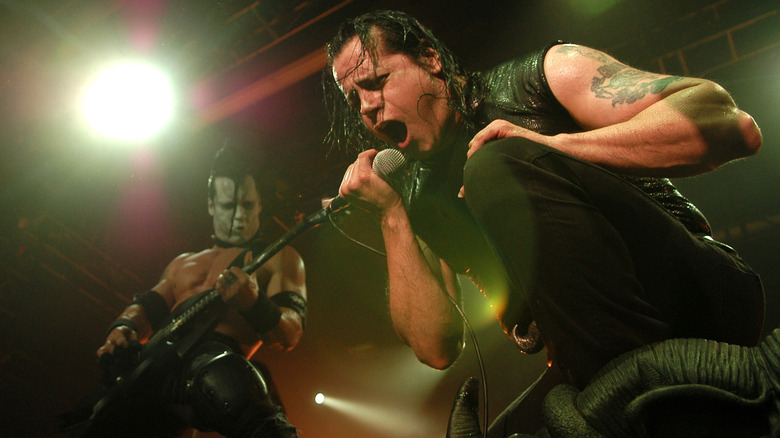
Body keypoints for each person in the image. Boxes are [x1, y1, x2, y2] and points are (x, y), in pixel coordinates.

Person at [321, 10, 765, 435]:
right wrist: (392, 216)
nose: (366, 108)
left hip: (698, 293)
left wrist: (552, 148)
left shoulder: (541, 78)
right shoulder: (418, 196)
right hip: (588, 361)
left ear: (430, 58)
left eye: (376, 83)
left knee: (493, 165)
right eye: (354, 98)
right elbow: (435, 348)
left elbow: (729, 125)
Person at [90, 146, 307, 438]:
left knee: (227, 377)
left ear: (260, 206)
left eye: (247, 204)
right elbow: (146, 307)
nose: (239, 216)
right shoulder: (182, 263)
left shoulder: (279, 257)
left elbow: (290, 333)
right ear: (211, 205)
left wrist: (255, 304)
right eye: (229, 206)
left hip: (215, 369)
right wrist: (123, 327)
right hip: (154, 367)